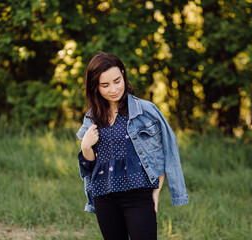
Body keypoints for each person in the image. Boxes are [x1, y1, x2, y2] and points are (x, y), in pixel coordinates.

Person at [76, 51, 189, 240]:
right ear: (95, 86)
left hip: (138, 195)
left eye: (117, 81)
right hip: (104, 195)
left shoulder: (146, 110)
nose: (113, 89)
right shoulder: (91, 118)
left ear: (123, 74)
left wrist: (157, 189)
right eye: (105, 85)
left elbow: (165, 150)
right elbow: (89, 167)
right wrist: (86, 147)